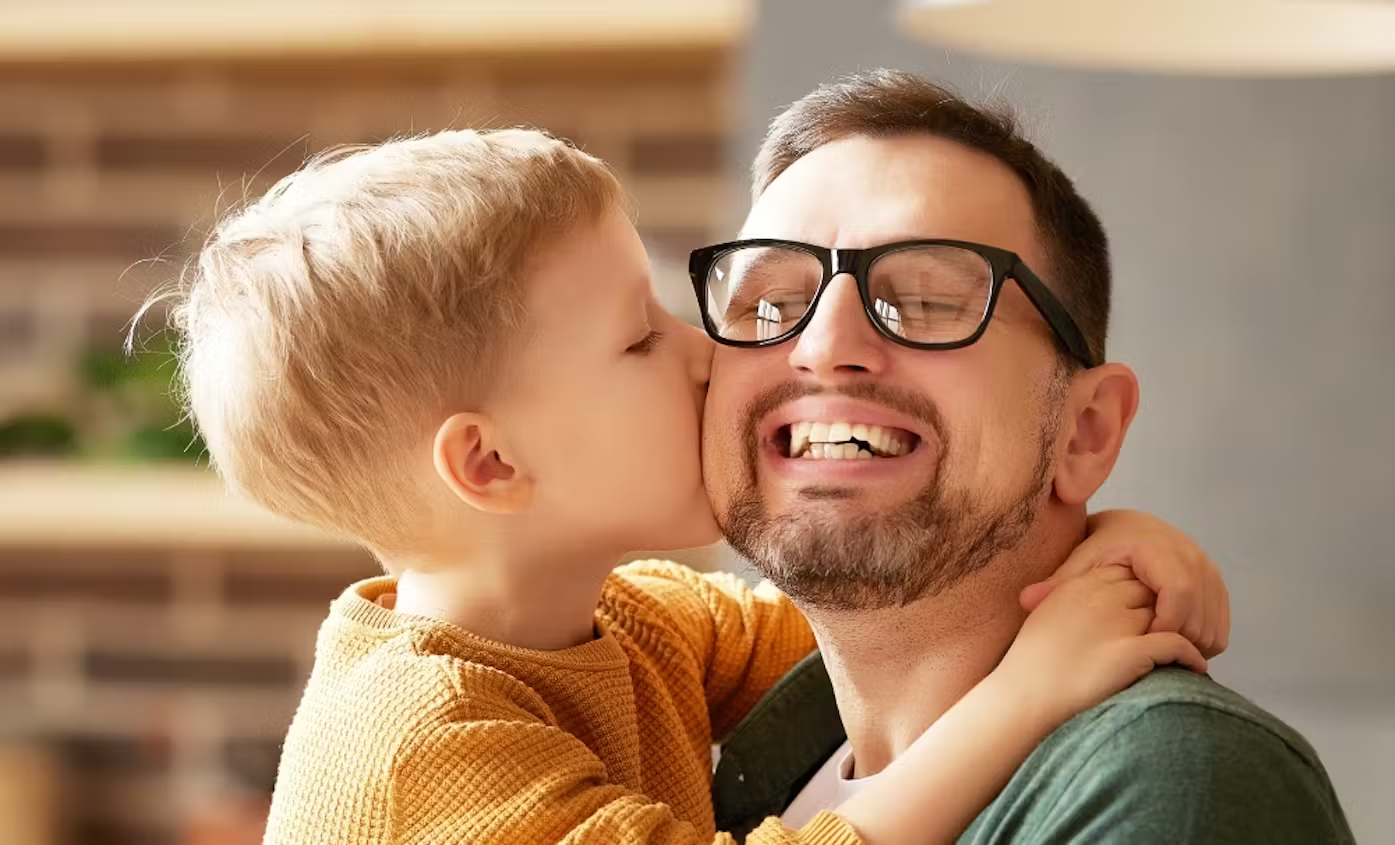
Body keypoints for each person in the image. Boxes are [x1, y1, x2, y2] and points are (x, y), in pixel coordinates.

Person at [156, 128, 1226, 845]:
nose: (710, 354)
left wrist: (1091, 533)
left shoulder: (635, 622)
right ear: (492, 465)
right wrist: (1030, 689)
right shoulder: (419, 746)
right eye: (639, 339)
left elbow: (903, 608)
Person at [699, 69, 1354, 844]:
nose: (824, 346)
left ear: (1086, 432)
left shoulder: (1168, 780)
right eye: (769, 305)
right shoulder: (660, 717)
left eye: (927, 301)